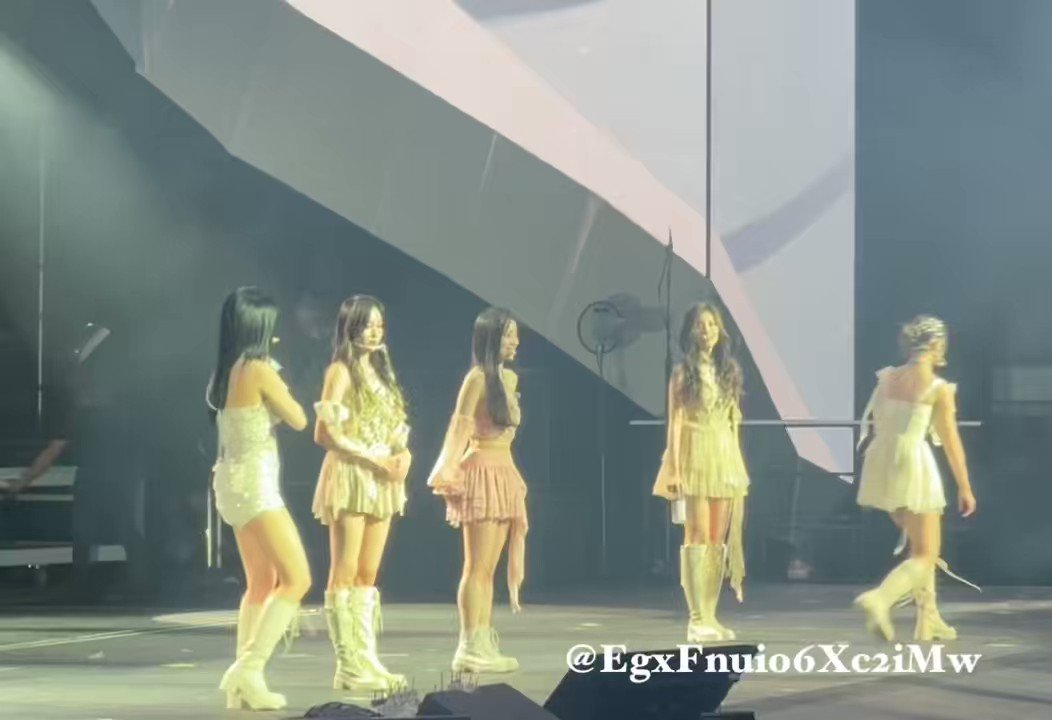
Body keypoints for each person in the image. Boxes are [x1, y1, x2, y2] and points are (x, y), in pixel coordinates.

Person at [208, 287, 312, 710]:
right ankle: (248, 669)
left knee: (260, 583)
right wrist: (280, 388)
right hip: (256, 484)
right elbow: (300, 419)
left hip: (230, 482)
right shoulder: (259, 369)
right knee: (297, 579)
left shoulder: (226, 371)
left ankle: (242, 686)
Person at [854, 315, 977, 641]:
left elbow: (877, 421)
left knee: (920, 543)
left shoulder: (887, 378)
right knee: (925, 553)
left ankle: (928, 619)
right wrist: (965, 486)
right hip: (912, 462)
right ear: (936, 345)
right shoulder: (938, 388)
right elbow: (951, 442)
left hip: (882, 461)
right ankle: (880, 598)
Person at [312, 296, 411, 692]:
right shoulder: (340, 370)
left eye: (379, 325)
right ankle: (347, 664)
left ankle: (367, 657)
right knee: (345, 569)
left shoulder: (381, 370)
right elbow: (324, 432)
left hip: (383, 477)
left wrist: (403, 455)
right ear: (349, 326)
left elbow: (395, 425)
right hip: (352, 473)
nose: (374, 332)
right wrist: (372, 458)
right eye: (367, 324)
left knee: (368, 573)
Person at [428, 307, 526, 673]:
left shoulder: (508, 379)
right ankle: (469, 645)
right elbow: (460, 428)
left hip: (503, 471)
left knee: (489, 569)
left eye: (515, 335)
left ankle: (483, 641)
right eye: (508, 335)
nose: (515, 342)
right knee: (477, 568)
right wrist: (448, 471)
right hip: (481, 471)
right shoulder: (476, 379)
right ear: (490, 338)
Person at [652, 302, 748, 642]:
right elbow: (676, 423)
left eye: (711, 324)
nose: (706, 330)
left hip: (724, 457)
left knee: (717, 540)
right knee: (697, 535)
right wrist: (675, 469)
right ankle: (696, 619)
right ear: (691, 332)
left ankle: (710, 615)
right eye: (700, 325)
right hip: (695, 453)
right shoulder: (683, 373)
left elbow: (733, 421)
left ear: (720, 331)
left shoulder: (729, 371)